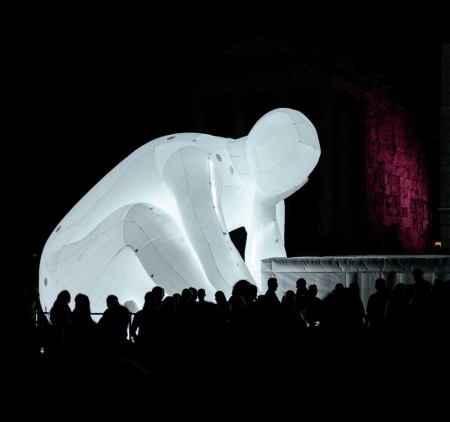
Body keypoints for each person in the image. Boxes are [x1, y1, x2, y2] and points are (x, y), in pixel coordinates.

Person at [39, 108, 321, 312]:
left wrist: (266, 206)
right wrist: (251, 310)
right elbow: (213, 247)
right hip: (65, 272)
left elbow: (268, 269)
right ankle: (219, 316)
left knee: (156, 227)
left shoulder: (267, 194)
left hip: (137, 283)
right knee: (138, 217)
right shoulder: (193, 157)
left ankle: (222, 316)